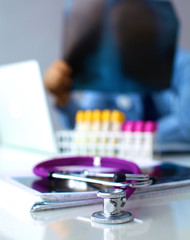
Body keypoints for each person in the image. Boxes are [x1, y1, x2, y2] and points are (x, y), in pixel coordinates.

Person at [44, 0, 190, 144]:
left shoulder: (184, 66)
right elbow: (89, 126)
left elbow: (187, 125)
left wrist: (127, 136)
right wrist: (63, 100)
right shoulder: (107, 70)